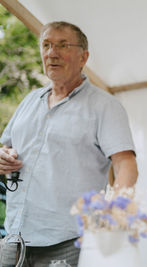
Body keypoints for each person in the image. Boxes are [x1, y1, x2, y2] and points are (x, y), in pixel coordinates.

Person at [0, 21, 138, 267]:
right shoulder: (29, 100)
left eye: (62, 45)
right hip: (14, 240)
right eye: (46, 45)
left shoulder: (104, 106)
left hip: (68, 243)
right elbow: (5, 147)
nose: (52, 53)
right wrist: (3, 155)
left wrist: (112, 214)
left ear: (83, 56)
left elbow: (126, 165)